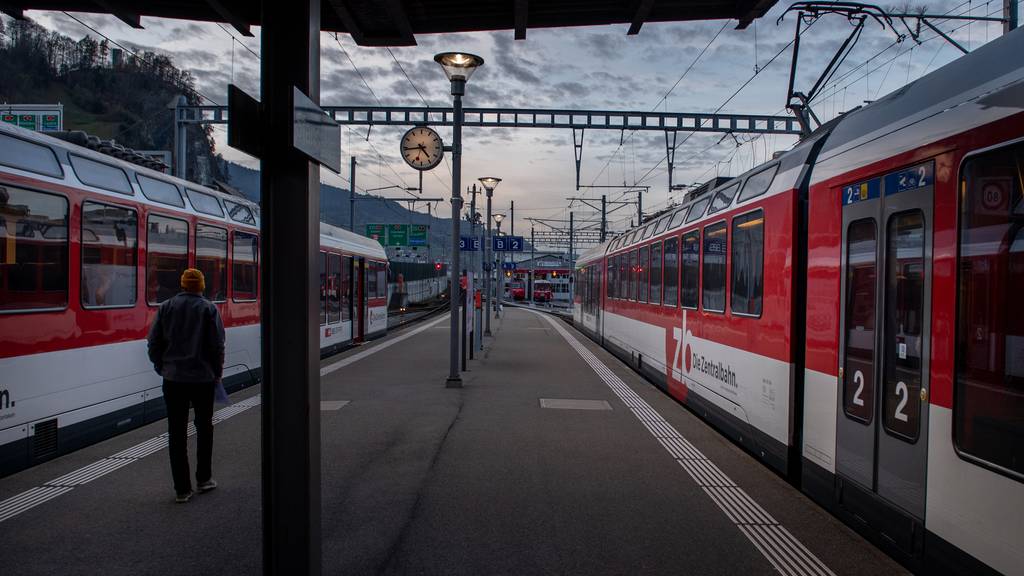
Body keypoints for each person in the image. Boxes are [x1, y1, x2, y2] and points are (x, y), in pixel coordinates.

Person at [147, 268, 225, 503]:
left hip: (173, 380)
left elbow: (153, 343)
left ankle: (182, 489)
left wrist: (162, 367)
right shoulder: (209, 309)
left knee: (176, 433)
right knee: (204, 429)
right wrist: (217, 374)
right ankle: (204, 479)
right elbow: (217, 346)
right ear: (201, 286)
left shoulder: (166, 308)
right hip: (202, 379)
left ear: (182, 285)